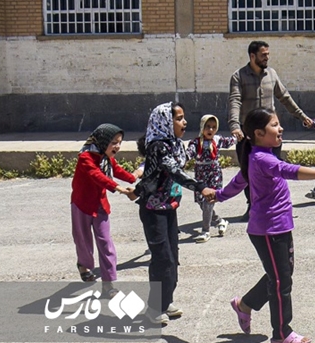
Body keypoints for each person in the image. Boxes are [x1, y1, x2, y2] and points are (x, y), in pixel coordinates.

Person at [214, 107, 315, 343]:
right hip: (268, 230)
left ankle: (244, 305)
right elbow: (288, 171)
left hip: (279, 227)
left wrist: (218, 195)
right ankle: (282, 333)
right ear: (259, 133)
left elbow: (239, 181)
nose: (280, 128)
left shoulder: (258, 156)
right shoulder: (262, 159)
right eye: (274, 125)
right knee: (281, 280)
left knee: (281, 275)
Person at [134, 102, 216, 326]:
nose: (184, 122)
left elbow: (187, 158)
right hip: (153, 210)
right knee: (162, 258)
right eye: (178, 118)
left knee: (172, 257)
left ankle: (165, 300)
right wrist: (200, 187)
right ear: (164, 122)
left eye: (183, 117)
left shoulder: (175, 144)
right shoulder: (158, 146)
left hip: (169, 207)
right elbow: (175, 172)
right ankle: (154, 308)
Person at [228, 40, 313, 221]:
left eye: (268, 54)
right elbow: (235, 100)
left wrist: (301, 116)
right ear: (252, 56)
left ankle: (276, 206)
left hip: (270, 134)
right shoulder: (239, 76)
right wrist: (234, 125)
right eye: (263, 55)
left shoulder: (272, 74)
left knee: (274, 170)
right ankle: (252, 206)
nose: (267, 57)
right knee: (248, 172)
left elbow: (284, 97)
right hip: (248, 134)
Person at [70, 124, 136, 297]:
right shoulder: (86, 157)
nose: (117, 146)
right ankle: (83, 265)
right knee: (83, 241)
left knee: (106, 243)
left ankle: (108, 285)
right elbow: (97, 175)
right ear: (103, 141)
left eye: (119, 142)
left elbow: (117, 170)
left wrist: (134, 177)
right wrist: (119, 188)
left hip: (100, 207)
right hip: (82, 205)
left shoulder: (106, 158)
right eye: (113, 142)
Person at [187, 114, 235, 243]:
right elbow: (189, 153)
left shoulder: (217, 140)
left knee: (208, 202)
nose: (210, 130)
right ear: (202, 127)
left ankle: (205, 231)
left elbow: (229, 141)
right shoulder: (196, 142)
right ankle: (220, 221)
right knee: (201, 202)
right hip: (200, 175)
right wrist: (182, 159)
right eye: (208, 126)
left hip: (214, 175)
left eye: (213, 127)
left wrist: (238, 136)